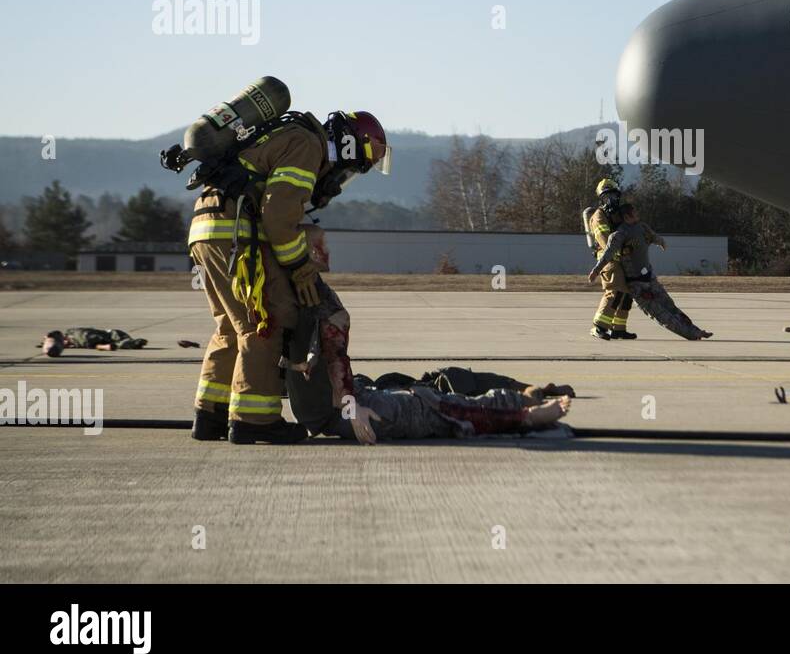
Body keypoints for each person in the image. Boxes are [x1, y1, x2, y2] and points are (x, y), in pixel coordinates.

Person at [189, 109, 390, 444]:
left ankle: (211, 414)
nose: (342, 180)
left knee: (230, 326)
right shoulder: (307, 146)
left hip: (206, 229)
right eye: (352, 169)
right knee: (264, 322)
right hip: (237, 235)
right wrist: (299, 267)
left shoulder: (287, 135)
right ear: (347, 147)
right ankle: (255, 420)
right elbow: (279, 215)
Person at [286, 226, 571, 443]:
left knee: (427, 387)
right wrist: (351, 408)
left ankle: (521, 398)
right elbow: (332, 356)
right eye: (320, 245)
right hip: (340, 411)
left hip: (333, 406)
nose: (327, 250)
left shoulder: (293, 293)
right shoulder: (316, 301)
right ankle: (525, 415)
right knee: (436, 409)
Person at [587, 204, 712, 340]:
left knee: (669, 306)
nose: (638, 215)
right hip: (637, 285)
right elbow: (608, 254)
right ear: (627, 217)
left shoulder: (642, 227)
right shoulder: (618, 235)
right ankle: (692, 334)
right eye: (635, 213)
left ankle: (695, 330)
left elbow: (654, 237)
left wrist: (661, 242)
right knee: (661, 314)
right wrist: (596, 270)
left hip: (650, 278)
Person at [586, 179, 635, 340]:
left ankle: (619, 328)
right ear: (601, 199)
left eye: (614, 195)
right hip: (609, 261)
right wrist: (621, 251)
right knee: (614, 292)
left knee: (627, 294)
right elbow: (604, 239)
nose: (611, 199)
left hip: (623, 259)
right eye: (607, 196)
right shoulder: (598, 216)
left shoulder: (618, 215)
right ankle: (598, 326)